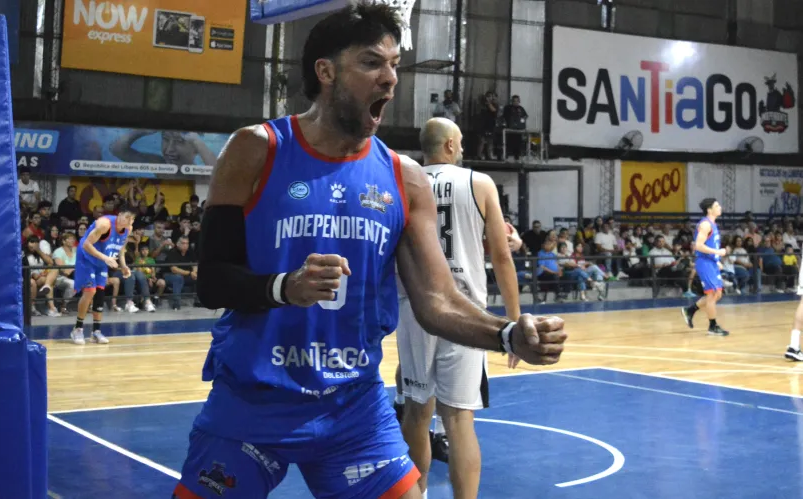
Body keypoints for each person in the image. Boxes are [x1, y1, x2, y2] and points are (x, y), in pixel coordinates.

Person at [171, 5, 567, 499]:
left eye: (394, 65)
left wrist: (507, 334)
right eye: (371, 62)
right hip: (251, 402)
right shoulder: (256, 149)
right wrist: (286, 287)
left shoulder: (406, 178)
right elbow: (212, 281)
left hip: (352, 408)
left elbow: (437, 300)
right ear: (326, 71)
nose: (390, 78)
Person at [395, 118, 523, 499]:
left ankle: (416, 494)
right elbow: (501, 256)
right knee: (458, 419)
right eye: (462, 142)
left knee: (416, 412)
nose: (464, 148)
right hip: (465, 313)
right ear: (450, 145)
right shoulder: (479, 183)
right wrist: (514, 322)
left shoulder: (402, 181)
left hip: (416, 307)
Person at [69, 205, 135, 345]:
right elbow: (86, 244)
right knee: (90, 291)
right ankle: (78, 329)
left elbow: (121, 249)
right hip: (86, 258)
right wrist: (106, 258)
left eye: (132, 219)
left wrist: (123, 266)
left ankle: (96, 332)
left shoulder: (128, 229)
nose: (129, 221)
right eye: (127, 217)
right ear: (119, 215)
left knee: (100, 292)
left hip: (102, 260)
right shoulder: (104, 224)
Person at [682, 198, 729, 336]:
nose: (720, 207)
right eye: (717, 205)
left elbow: (709, 244)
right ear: (709, 210)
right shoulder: (705, 224)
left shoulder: (713, 224)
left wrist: (716, 260)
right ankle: (712, 326)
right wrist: (717, 252)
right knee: (712, 294)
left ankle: (690, 310)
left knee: (717, 294)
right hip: (704, 263)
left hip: (711, 262)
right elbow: (698, 246)